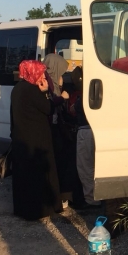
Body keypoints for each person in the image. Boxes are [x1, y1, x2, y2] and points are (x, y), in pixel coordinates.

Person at [10, 60, 62, 220]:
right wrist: (46, 92)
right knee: (39, 173)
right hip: (37, 139)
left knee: (23, 176)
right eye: (39, 72)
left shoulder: (17, 89)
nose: (42, 75)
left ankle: (22, 209)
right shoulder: (33, 90)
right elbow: (48, 108)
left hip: (20, 139)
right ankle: (42, 209)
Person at [43, 53, 81, 208]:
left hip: (55, 128)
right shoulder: (46, 84)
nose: (63, 75)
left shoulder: (52, 82)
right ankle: (61, 196)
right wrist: (62, 96)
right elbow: (51, 105)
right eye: (62, 71)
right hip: (51, 129)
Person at [73, 67, 102, 210]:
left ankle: (91, 200)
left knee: (86, 167)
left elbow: (74, 109)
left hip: (85, 132)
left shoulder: (85, 94)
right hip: (98, 132)